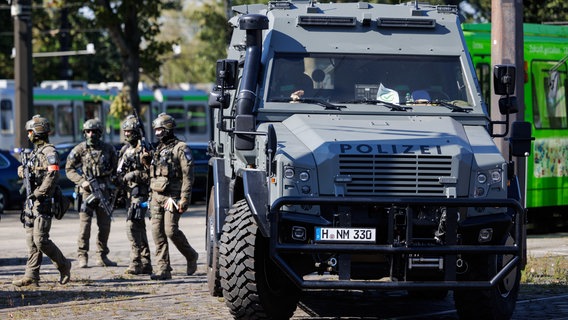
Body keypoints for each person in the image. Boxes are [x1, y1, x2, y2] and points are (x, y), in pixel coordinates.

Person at [13, 115, 71, 287]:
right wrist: (22, 171)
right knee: (31, 242)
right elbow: (25, 170)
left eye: (30, 131)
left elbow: (52, 175)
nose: (29, 135)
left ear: (38, 131)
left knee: (41, 240)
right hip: (31, 202)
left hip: (43, 201)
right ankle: (31, 276)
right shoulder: (34, 153)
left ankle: (64, 265)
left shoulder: (49, 152)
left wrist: (38, 193)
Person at [144, 113, 198, 280]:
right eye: (156, 130)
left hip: (172, 197)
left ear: (168, 128)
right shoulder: (157, 149)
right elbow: (153, 174)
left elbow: (188, 176)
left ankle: (191, 255)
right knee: (156, 233)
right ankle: (163, 269)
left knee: (170, 230)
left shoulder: (180, 148)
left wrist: (184, 199)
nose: (158, 133)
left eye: (160, 129)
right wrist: (146, 161)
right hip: (156, 195)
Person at [65, 118, 118, 268]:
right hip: (87, 193)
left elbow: (116, 170)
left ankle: (102, 256)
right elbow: (69, 169)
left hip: (104, 192)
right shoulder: (79, 149)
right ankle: (82, 255)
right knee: (85, 226)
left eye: (94, 132)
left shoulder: (108, 149)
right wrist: (82, 182)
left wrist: (115, 187)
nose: (91, 134)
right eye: (88, 131)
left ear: (99, 133)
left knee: (105, 226)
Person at [117, 115, 153, 275]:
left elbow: (152, 174)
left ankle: (135, 262)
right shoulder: (125, 150)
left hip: (141, 193)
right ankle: (146, 262)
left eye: (130, 132)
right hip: (129, 193)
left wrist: (135, 174)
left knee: (131, 226)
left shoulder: (144, 149)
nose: (126, 135)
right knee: (139, 227)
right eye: (125, 132)